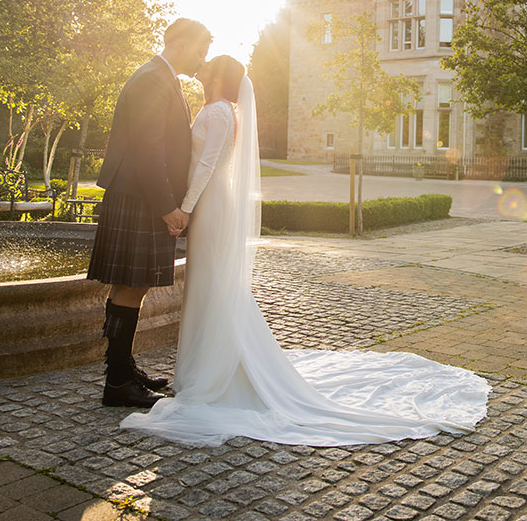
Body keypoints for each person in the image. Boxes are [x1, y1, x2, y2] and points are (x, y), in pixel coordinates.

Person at [120, 56, 488, 446]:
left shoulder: (219, 113)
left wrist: (186, 209)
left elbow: (208, 163)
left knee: (213, 284)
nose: (202, 65)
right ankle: (200, 367)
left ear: (217, 76)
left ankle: (212, 370)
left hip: (210, 205)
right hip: (210, 203)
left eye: (209, 63)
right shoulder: (219, 111)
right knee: (207, 283)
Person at [88, 18, 213, 408]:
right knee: (131, 285)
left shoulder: (163, 77)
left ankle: (121, 370)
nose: (202, 58)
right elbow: (148, 151)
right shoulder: (151, 79)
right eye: (199, 49)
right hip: (138, 198)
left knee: (131, 285)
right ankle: (119, 382)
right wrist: (168, 208)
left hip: (138, 196)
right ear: (180, 43)